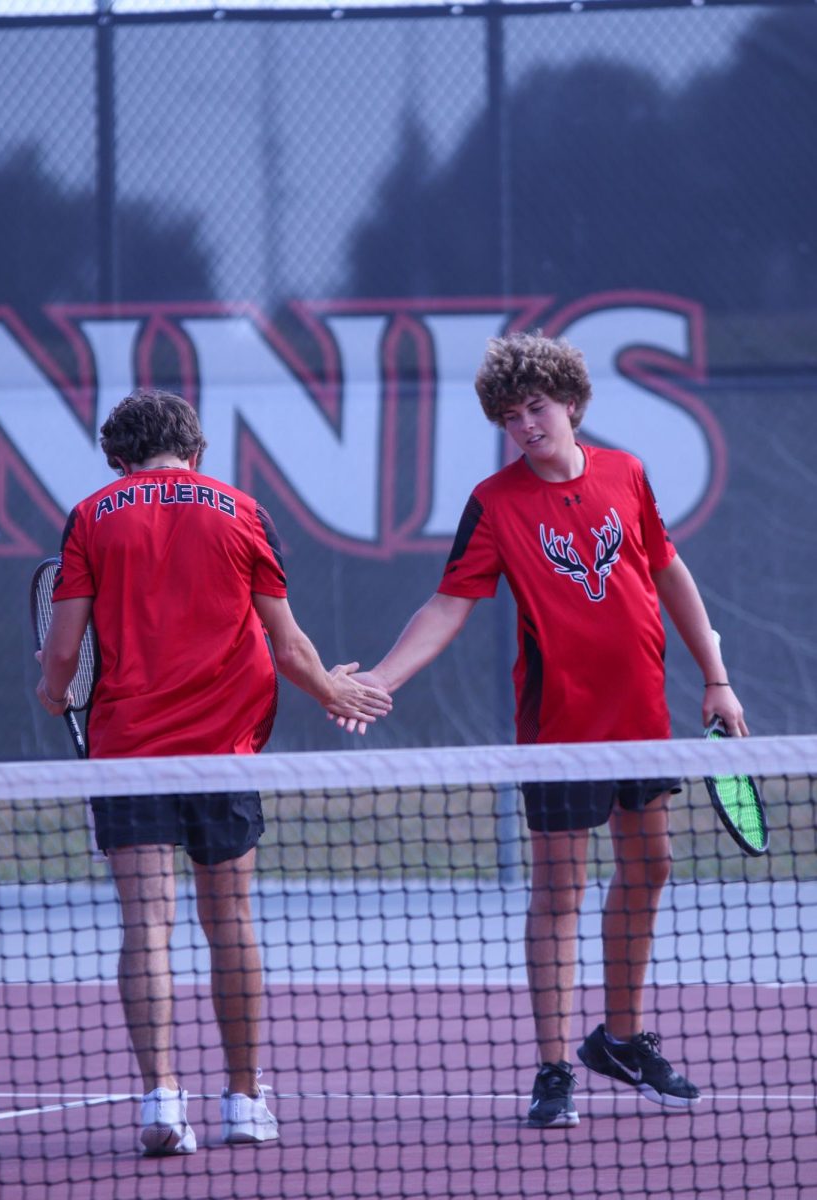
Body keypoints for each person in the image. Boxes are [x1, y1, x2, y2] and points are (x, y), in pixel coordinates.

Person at [337, 332, 746, 1128]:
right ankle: (555, 1066)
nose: (527, 424)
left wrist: (717, 677)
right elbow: (448, 603)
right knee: (559, 892)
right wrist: (381, 679)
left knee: (652, 868)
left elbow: (667, 571)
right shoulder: (495, 504)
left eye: (538, 407)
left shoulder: (626, 475)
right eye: (511, 415)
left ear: (571, 404)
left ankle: (621, 1039)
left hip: (644, 723)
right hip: (559, 728)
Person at [36, 388, 392, 1155]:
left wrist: (51, 689)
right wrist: (337, 691)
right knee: (229, 923)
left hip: (127, 754)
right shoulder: (240, 509)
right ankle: (241, 1101)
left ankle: (162, 1101)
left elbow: (63, 652)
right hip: (222, 754)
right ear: (196, 453)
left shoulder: (92, 515)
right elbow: (290, 646)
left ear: (117, 459)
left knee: (147, 928)